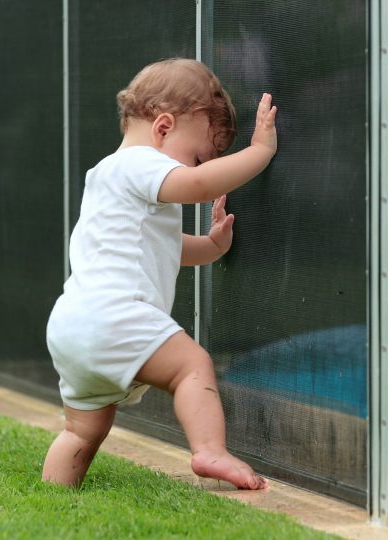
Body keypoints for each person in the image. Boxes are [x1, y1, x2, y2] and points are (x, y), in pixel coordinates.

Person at [42, 58, 277, 490]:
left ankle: (56, 492)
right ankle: (209, 450)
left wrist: (212, 246)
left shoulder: (106, 178)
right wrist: (259, 152)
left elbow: (158, 248)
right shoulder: (139, 163)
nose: (198, 169)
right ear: (163, 128)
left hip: (71, 325)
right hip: (113, 316)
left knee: (81, 430)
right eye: (196, 157)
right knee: (192, 366)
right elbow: (199, 186)